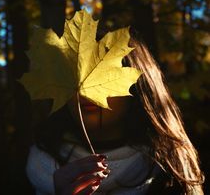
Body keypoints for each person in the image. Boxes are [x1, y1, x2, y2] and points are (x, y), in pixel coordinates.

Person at [25, 30, 204, 194]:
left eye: (105, 76)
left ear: (137, 87)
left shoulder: (170, 172)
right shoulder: (35, 166)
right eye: (74, 75)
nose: (84, 90)